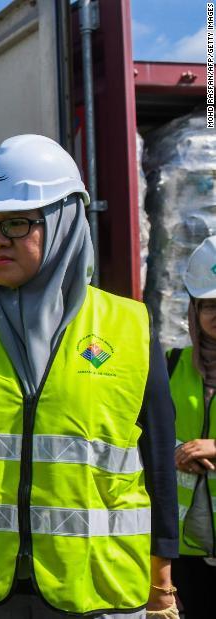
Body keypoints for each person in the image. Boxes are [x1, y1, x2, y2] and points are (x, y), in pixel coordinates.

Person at [0, 134, 179, 618]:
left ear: (64, 222)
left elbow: (159, 464)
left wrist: (162, 585)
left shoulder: (129, 328)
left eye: (17, 222)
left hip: (95, 589)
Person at [167, 236, 216, 615]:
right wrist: (174, 454)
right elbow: (136, 441)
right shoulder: (170, 365)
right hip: (184, 550)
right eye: (209, 306)